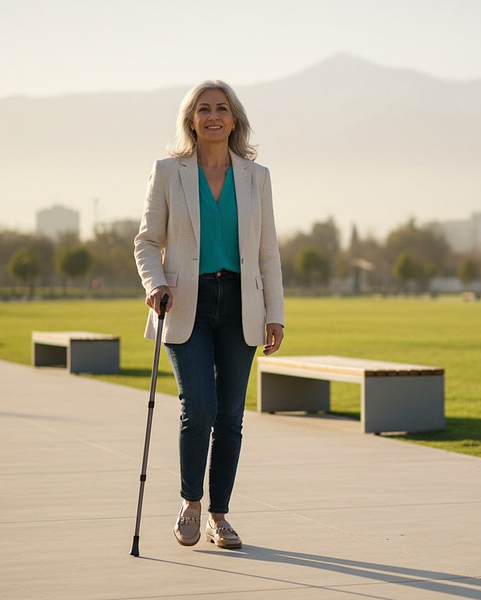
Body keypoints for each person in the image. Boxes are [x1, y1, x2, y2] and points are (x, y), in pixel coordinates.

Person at [134, 80, 284, 550]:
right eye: (204, 109)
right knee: (197, 408)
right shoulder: (167, 171)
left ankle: (220, 515)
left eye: (222, 108)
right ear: (191, 120)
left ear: (234, 119)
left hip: (242, 303)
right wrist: (155, 282)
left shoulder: (256, 177)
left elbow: (268, 253)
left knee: (230, 416)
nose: (213, 115)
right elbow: (146, 241)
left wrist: (275, 313)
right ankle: (190, 501)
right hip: (185, 304)